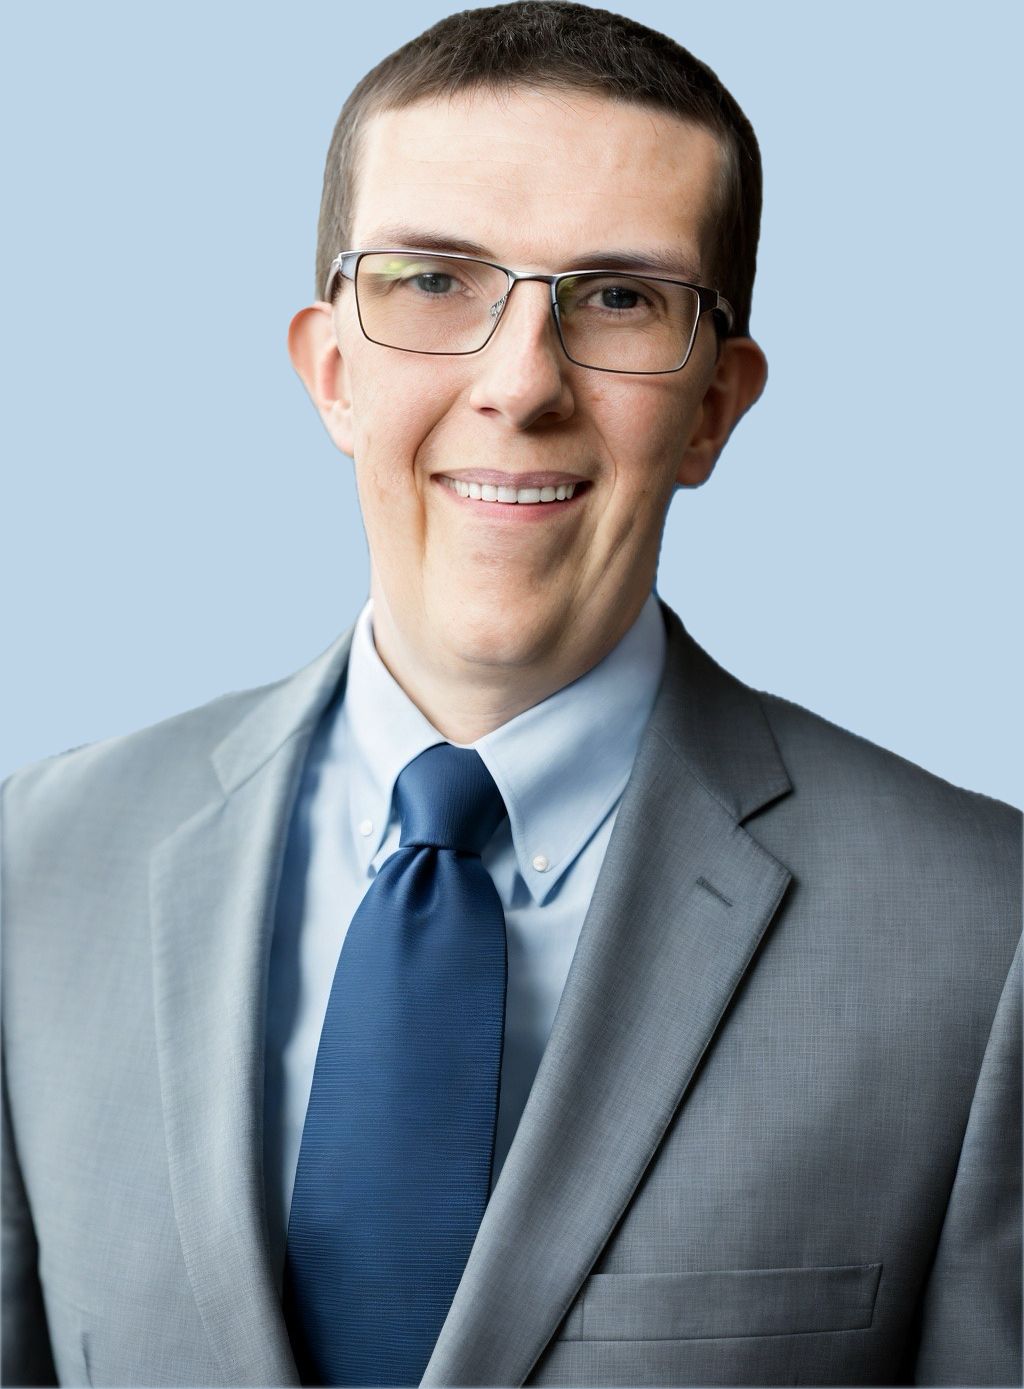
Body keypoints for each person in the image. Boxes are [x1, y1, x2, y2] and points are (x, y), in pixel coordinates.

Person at [2, 2, 1020, 1385]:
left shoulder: (984, 933)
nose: (522, 382)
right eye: (433, 280)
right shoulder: (35, 869)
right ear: (331, 369)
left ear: (716, 404)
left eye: (617, 298)